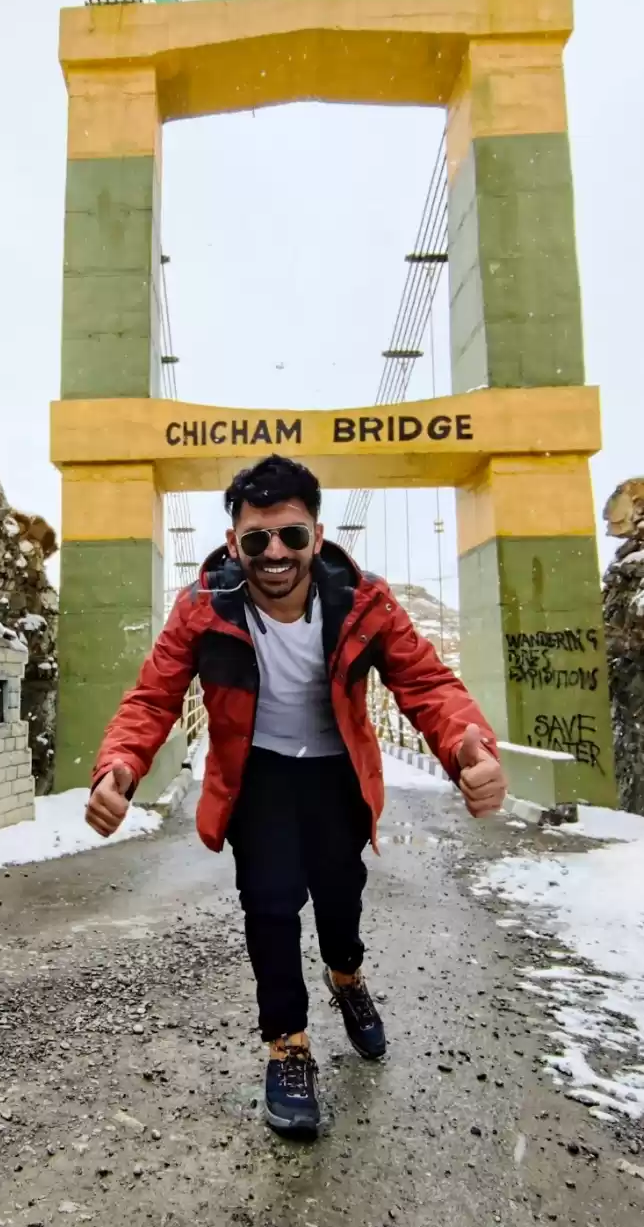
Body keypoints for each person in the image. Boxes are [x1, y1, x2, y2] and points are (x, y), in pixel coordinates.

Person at [85, 455, 506, 1136]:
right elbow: (153, 696)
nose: (274, 553)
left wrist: (466, 746)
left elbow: (426, 684)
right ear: (233, 544)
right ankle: (288, 1042)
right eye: (256, 539)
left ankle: (347, 975)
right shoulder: (201, 609)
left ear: (316, 532)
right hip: (258, 776)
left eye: (291, 535)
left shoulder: (364, 599)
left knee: (340, 895)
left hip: (337, 772)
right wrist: (121, 765)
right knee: (271, 901)